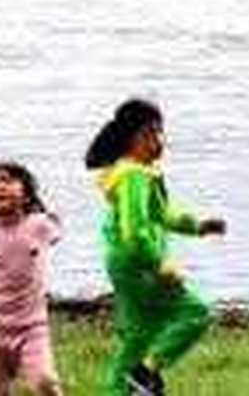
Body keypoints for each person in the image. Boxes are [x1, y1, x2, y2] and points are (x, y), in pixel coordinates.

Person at [83, 99, 226, 396]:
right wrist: (157, 264)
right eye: (148, 134)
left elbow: (161, 213)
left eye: (159, 133)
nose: (157, 141)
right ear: (128, 139)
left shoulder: (139, 172)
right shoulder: (133, 176)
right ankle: (145, 373)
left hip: (126, 262)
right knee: (196, 312)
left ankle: (123, 387)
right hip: (137, 262)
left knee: (138, 334)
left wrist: (197, 226)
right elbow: (134, 232)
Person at [0, 160, 66, 396]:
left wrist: (49, 217)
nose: (1, 187)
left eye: (8, 181)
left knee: (45, 382)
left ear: (26, 195)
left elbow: (57, 229)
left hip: (32, 326)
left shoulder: (38, 226)